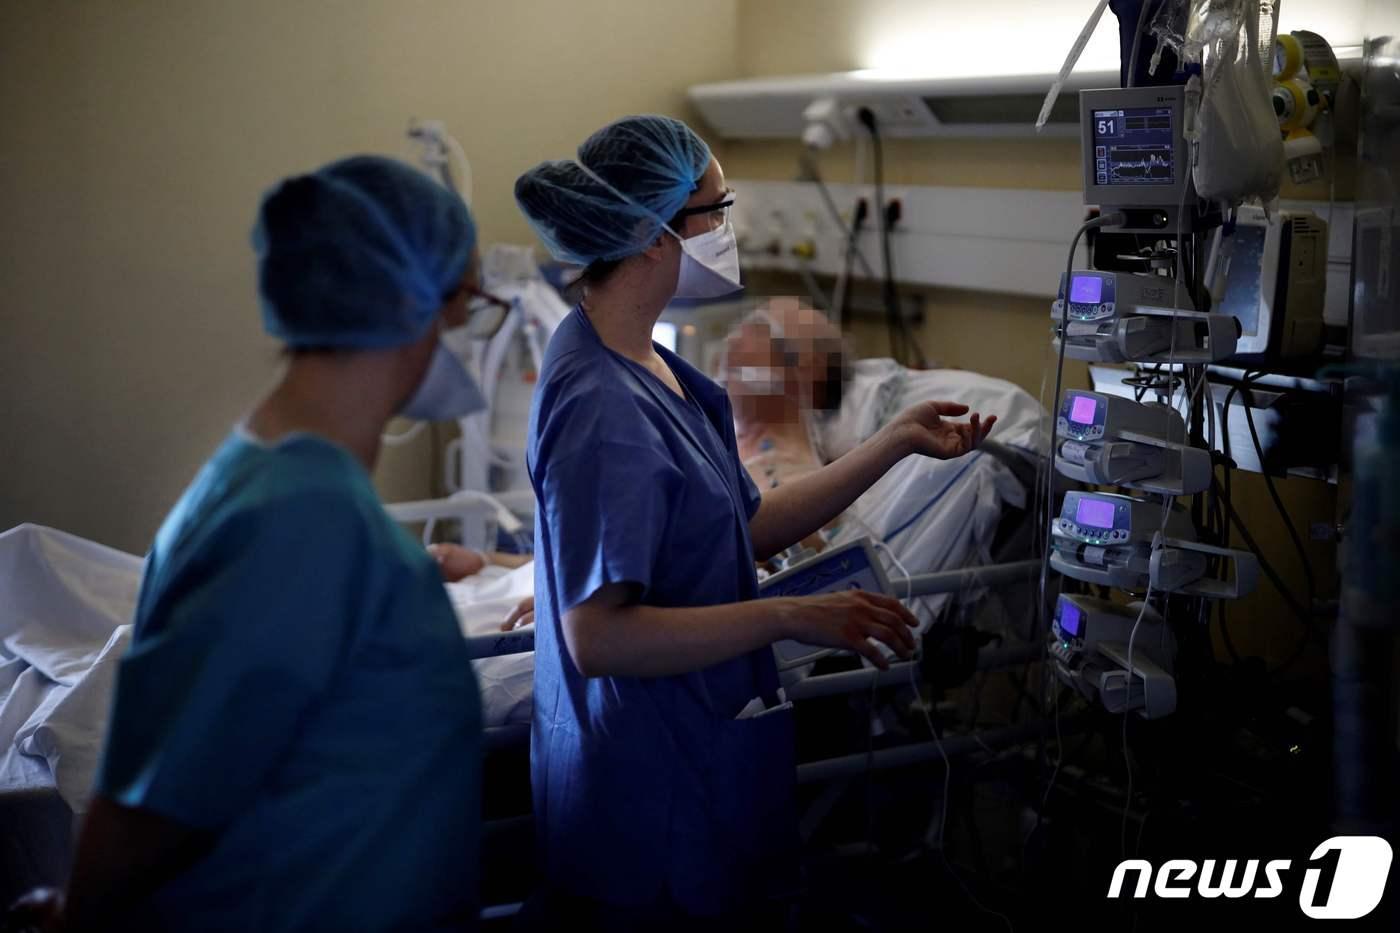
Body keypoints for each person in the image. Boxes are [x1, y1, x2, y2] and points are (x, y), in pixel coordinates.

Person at [513, 114, 996, 929]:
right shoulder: (600, 403)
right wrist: (792, 615)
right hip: (642, 791)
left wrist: (894, 441)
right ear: (654, 231)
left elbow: (752, 524)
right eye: (716, 208)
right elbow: (598, 636)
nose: (728, 229)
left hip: (694, 760)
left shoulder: (658, 369)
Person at [7, 156, 492, 932]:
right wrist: (76, 918)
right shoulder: (304, 519)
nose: (464, 333)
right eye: (466, 304)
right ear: (407, 300)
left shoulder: (260, 479)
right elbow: (156, 801)